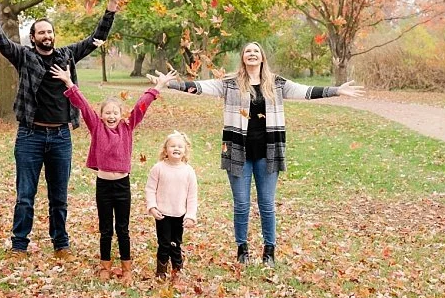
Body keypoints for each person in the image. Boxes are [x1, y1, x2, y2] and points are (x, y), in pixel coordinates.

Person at [156, 45, 363, 264]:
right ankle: (242, 249)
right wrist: (171, 84)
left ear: (262, 56)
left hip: (268, 152)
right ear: (243, 58)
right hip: (238, 151)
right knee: (242, 204)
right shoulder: (230, 84)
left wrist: (337, 90)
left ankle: (269, 250)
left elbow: (307, 91)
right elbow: (199, 87)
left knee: (267, 204)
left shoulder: (277, 84)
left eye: (256, 51)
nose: (252, 54)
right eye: (248, 51)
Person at [0, 0, 130, 255]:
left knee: (59, 198)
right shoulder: (24, 56)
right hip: (31, 136)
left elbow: (96, 39)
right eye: (41, 33)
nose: (47, 36)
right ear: (33, 37)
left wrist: (111, 7)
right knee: (25, 196)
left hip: (61, 136)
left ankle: (60, 243)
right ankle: (19, 244)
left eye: (50, 32)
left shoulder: (67, 56)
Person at [53, 63, 166, 279]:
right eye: (107, 113)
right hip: (103, 186)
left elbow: (142, 105)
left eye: (115, 112)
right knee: (105, 229)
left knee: (122, 229)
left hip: (122, 186)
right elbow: (84, 106)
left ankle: (126, 268)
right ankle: (105, 266)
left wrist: (157, 87)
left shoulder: (127, 127)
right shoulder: (96, 126)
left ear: (121, 115)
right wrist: (69, 82)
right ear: (102, 115)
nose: (112, 116)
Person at [144, 132, 199, 283]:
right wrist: (152, 207)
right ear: (165, 149)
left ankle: (177, 268)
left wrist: (190, 215)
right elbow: (150, 189)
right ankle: (161, 269)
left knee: (176, 243)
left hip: (179, 215)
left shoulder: (188, 171)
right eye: (172, 146)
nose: (176, 148)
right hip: (162, 214)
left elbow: (192, 196)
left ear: (185, 151)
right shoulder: (158, 168)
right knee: (164, 243)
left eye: (180, 146)